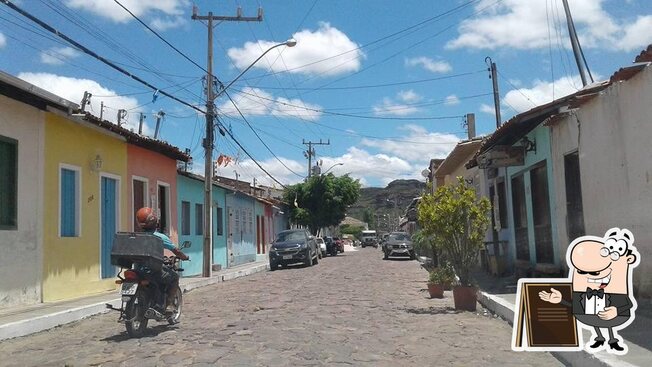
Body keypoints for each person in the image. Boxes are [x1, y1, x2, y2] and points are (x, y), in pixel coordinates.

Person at [135, 207, 189, 313]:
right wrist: (184, 257)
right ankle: (168, 305)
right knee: (174, 278)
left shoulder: (136, 237)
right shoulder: (160, 237)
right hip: (153, 271)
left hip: (138, 270)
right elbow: (176, 251)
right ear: (154, 221)